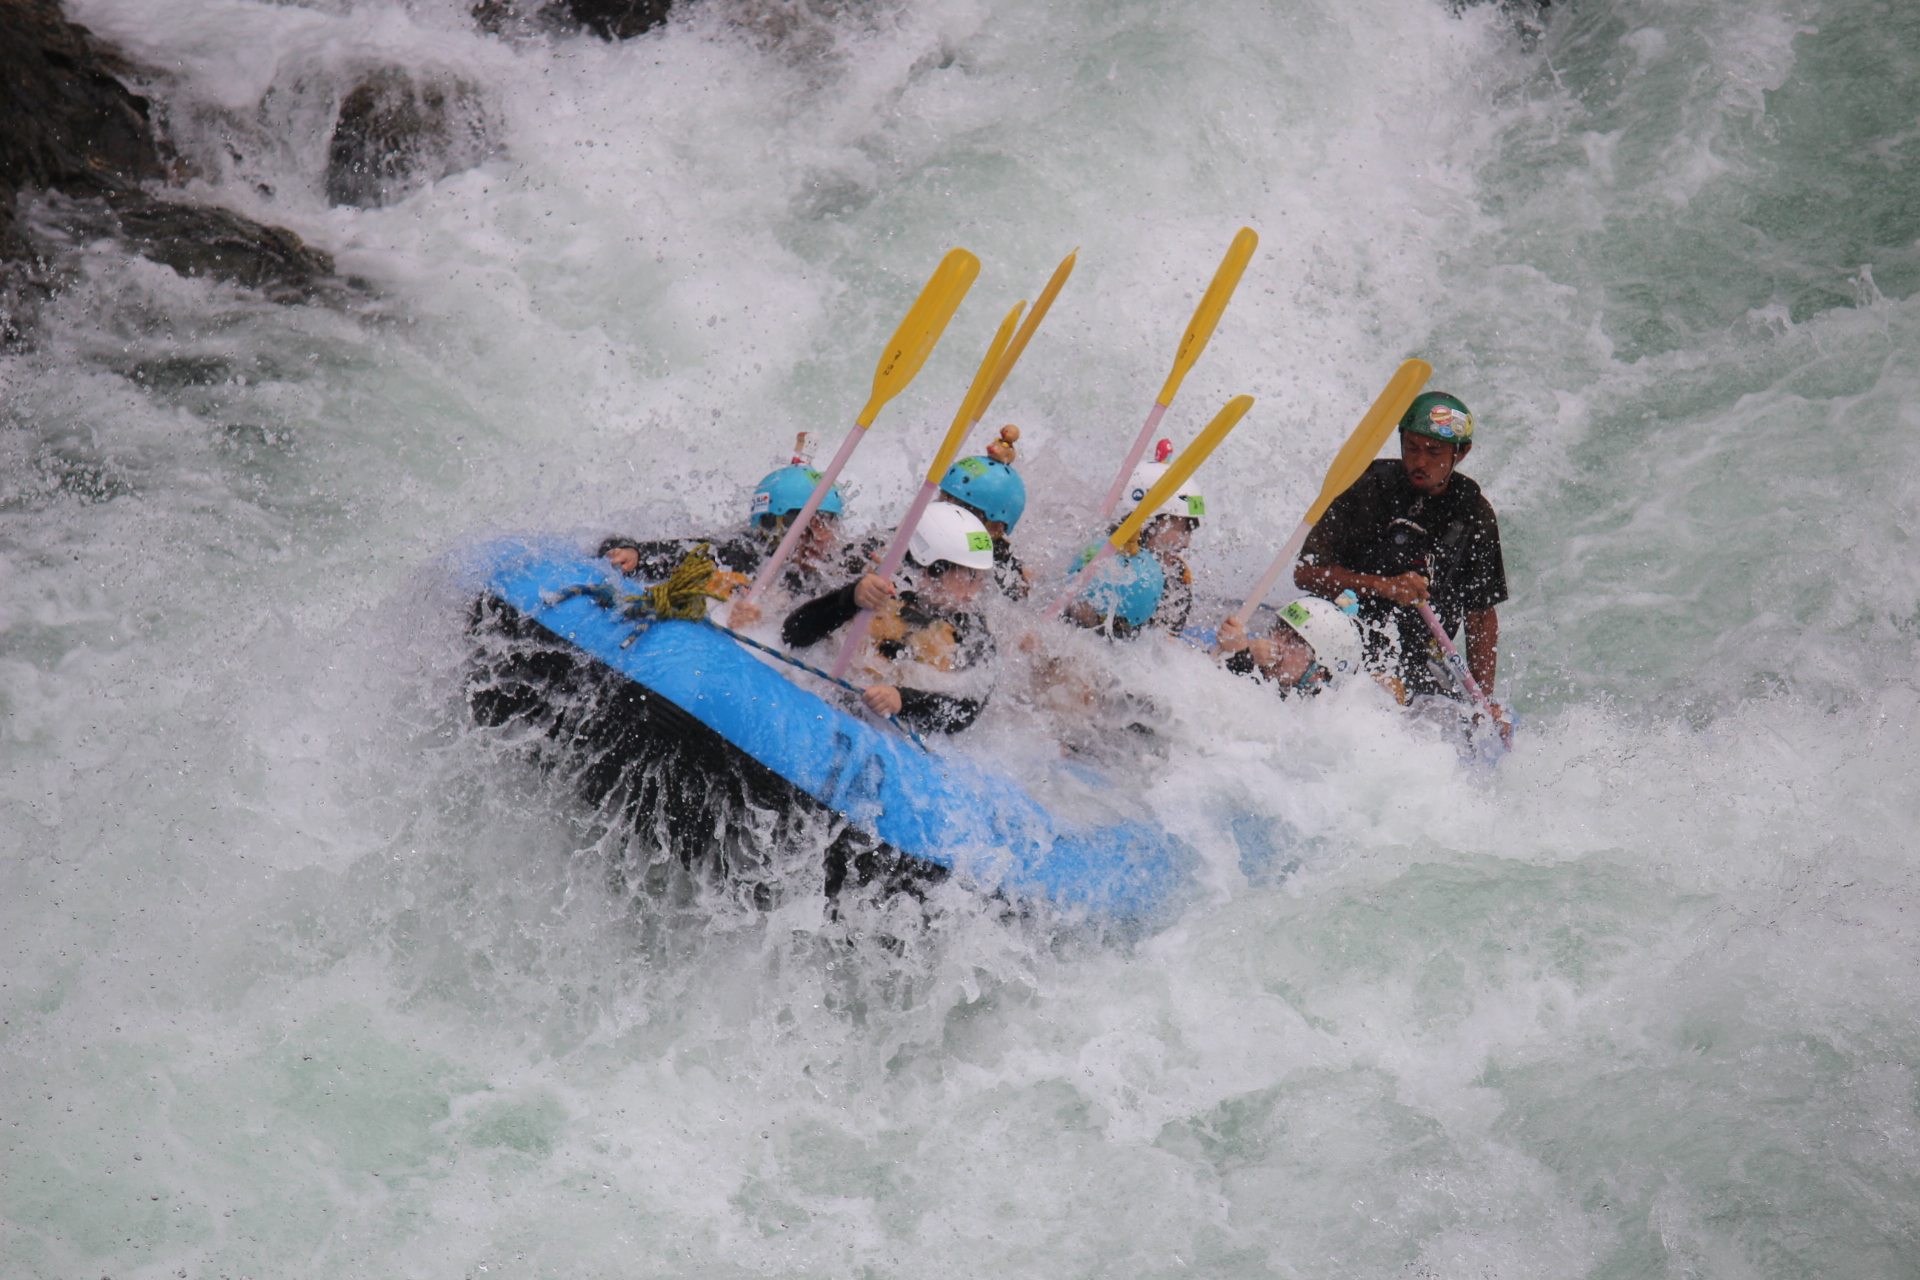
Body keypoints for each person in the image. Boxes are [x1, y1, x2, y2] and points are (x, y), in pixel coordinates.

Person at [1294, 390, 1507, 714]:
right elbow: (1306, 574)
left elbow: (1479, 616)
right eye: (1411, 447)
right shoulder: (1364, 486)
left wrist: (1484, 701)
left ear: (1461, 453)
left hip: (1419, 654)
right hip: (1343, 630)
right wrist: (1382, 586)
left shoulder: (1474, 514)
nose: (1420, 461)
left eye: (1434, 451)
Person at [781, 503, 998, 735]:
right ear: (932, 569)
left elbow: (967, 709)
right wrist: (850, 598)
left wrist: (902, 700)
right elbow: (792, 635)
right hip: (824, 695)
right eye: (969, 578)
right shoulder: (872, 578)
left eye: (980, 580)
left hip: (888, 727)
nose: (973, 594)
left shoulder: (972, 629)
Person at [598, 458, 848, 628]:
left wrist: (764, 621)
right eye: (812, 526)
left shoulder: (823, 580)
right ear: (775, 527)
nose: (825, 538)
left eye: (829, 524)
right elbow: (637, 553)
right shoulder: (736, 553)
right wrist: (632, 554)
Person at [933, 425, 1031, 600]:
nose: (947, 514)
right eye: (945, 498)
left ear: (995, 528)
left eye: (963, 509)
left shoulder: (1001, 562)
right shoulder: (918, 530)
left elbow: (1020, 601)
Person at [1213, 593, 1371, 697]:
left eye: (1294, 643)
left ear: (1319, 673)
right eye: (1280, 632)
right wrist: (1231, 655)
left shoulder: (1312, 717)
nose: (1277, 644)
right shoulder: (1266, 677)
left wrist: (1240, 659)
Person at [1119, 442, 1204, 634]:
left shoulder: (1178, 574)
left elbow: (1167, 642)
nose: (1187, 543)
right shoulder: (1099, 557)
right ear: (1147, 522)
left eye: (1190, 532)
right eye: (1182, 529)